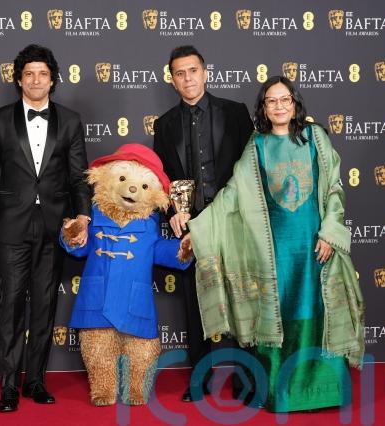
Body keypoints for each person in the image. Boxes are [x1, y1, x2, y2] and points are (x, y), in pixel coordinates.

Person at [184, 76, 365, 412]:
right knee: (279, 310)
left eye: (285, 100)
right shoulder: (256, 146)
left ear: (295, 104)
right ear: (263, 108)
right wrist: (197, 230)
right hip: (272, 250)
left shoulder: (316, 138)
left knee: (315, 307)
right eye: (272, 101)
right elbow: (232, 195)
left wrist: (329, 232)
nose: (279, 106)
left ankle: (323, 390)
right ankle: (281, 392)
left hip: (314, 246)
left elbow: (334, 190)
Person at [0, 44, 91, 413]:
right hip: (13, 224)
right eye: (29, 74)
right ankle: (8, 386)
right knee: (11, 304)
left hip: (55, 226)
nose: (36, 80)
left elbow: (78, 176)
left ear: (53, 80)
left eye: (43, 74)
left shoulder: (70, 120)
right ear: (19, 80)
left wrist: (83, 216)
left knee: (44, 303)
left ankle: (36, 380)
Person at [153, 45, 253, 402]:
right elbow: (163, 180)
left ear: (205, 72)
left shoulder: (236, 113)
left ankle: (246, 379)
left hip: (234, 222)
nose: (188, 78)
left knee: (241, 299)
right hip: (192, 228)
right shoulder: (164, 125)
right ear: (172, 80)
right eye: (179, 73)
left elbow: (252, 169)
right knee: (195, 305)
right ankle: (200, 379)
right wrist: (172, 211)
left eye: (193, 70)